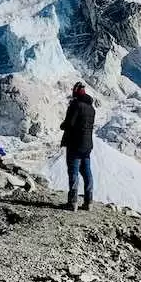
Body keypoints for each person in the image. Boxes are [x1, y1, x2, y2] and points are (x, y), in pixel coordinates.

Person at [60, 81, 95, 211]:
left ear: (75, 92)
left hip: (74, 143)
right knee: (87, 172)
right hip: (87, 145)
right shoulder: (91, 108)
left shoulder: (76, 105)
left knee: (73, 171)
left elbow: (70, 123)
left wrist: (63, 125)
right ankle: (88, 202)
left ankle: (73, 202)